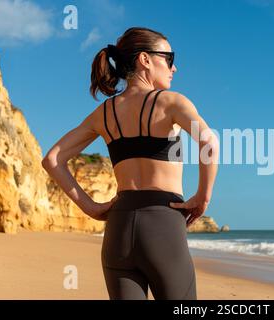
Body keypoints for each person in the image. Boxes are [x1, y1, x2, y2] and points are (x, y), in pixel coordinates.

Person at [41, 27, 220, 300]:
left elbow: (52, 159)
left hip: (119, 227)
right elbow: (209, 143)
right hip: (163, 223)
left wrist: (91, 208)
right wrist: (202, 197)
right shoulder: (172, 102)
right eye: (169, 58)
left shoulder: (103, 112)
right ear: (145, 59)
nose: (175, 68)